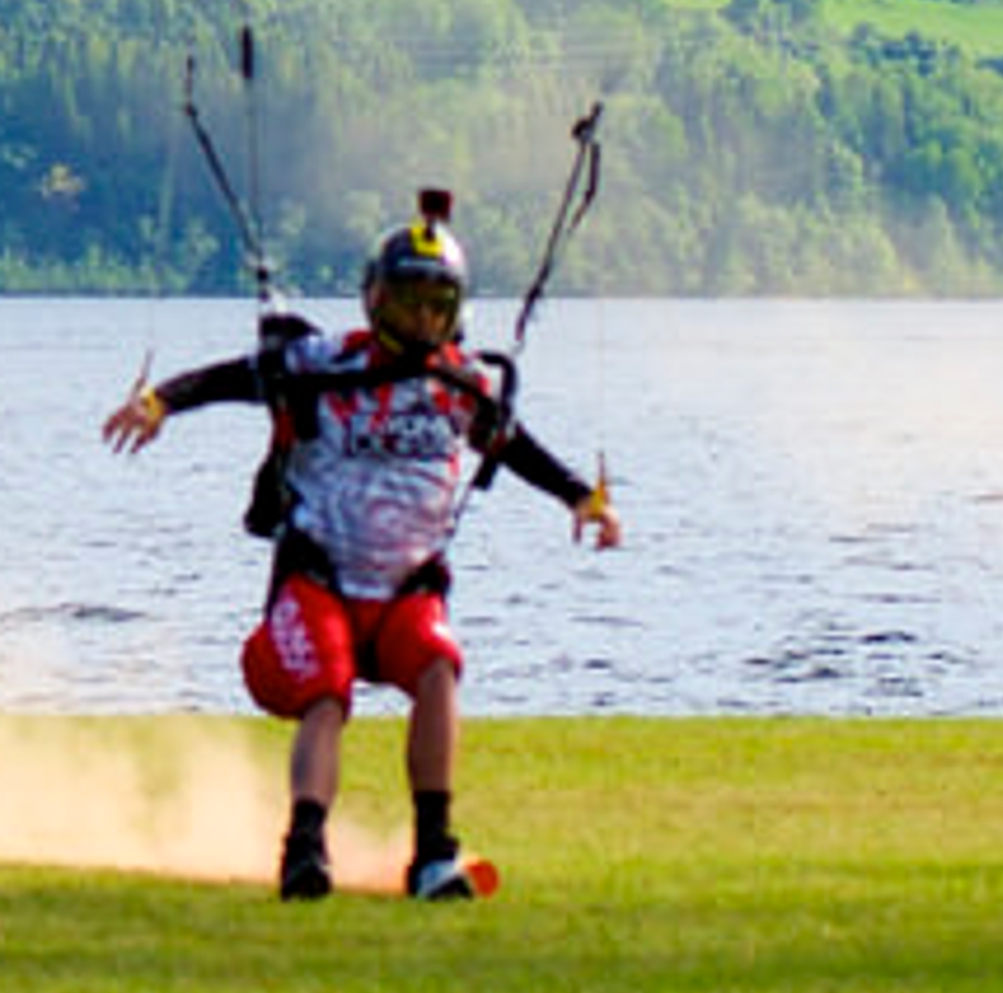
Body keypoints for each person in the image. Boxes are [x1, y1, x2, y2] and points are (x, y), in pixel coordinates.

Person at [101, 196, 618, 900]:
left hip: (406, 589)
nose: (423, 321)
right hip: (320, 582)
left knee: (440, 666)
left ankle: (434, 851)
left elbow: (515, 447)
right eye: (408, 304)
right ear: (376, 299)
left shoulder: (463, 386)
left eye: (438, 307)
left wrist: (580, 497)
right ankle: (305, 849)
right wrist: (158, 402)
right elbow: (233, 378)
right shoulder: (321, 363)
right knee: (328, 693)